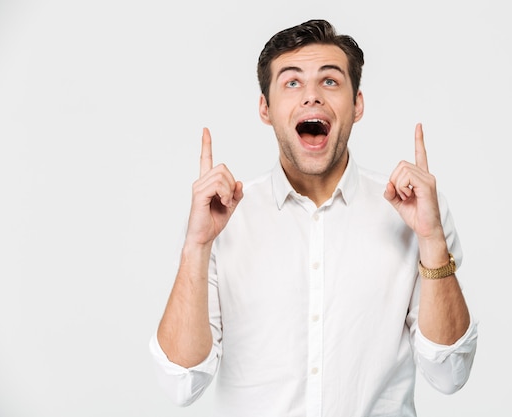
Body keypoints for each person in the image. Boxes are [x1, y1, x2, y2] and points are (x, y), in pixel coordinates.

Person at [150, 19, 477, 417]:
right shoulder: (220, 219)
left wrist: (431, 239)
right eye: (291, 82)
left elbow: (450, 374)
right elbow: (181, 382)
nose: (311, 97)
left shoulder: (415, 212)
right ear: (265, 109)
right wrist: (196, 246)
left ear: (356, 104)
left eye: (330, 81)